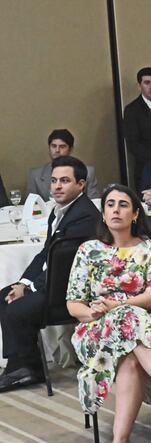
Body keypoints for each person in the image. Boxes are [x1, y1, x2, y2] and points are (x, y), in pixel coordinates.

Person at [65, 184, 151, 443]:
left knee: (129, 354)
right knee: (126, 318)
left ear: (136, 213)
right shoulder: (88, 251)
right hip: (96, 328)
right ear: (103, 215)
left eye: (123, 204)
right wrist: (96, 312)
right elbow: (74, 304)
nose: (115, 209)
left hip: (150, 322)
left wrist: (119, 303)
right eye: (110, 204)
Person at [0, 157, 100, 392]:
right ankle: (23, 365)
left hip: (68, 291)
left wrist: (29, 289)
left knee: (17, 308)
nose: (56, 186)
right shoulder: (59, 211)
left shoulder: (84, 216)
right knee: (4, 296)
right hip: (52, 283)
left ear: (81, 184)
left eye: (64, 181)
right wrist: (23, 282)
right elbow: (46, 253)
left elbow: (62, 265)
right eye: (54, 180)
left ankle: (22, 368)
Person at [27, 129, 99, 200]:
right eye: (54, 146)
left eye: (62, 146)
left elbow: (95, 203)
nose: (57, 150)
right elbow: (31, 205)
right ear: (49, 148)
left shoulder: (88, 172)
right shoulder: (35, 175)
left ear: (71, 149)